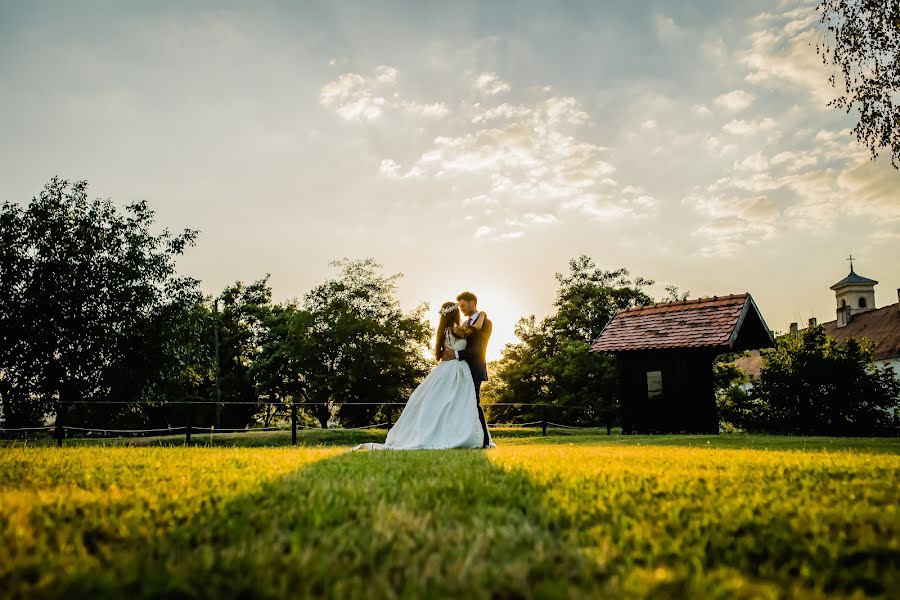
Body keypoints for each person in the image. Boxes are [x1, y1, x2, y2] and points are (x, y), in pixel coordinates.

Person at [353, 300, 495, 451]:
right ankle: (458, 435)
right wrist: (483, 315)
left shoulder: (445, 330)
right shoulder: (457, 330)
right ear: (454, 314)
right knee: (459, 403)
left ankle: (447, 433)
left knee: (446, 403)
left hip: (446, 370)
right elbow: (476, 328)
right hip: (458, 371)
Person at [440, 291, 492, 448]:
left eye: (463, 305)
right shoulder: (463, 325)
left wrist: (455, 354)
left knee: (474, 403)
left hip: (474, 369)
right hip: (459, 370)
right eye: (459, 306)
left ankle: (484, 441)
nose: (461, 309)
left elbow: (478, 349)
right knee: (459, 405)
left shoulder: (486, 322)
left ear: (472, 303)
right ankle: (460, 438)